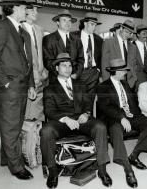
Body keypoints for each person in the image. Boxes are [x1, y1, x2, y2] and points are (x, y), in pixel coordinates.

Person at [40, 53, 110, 188]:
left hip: (81, 119)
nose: (68, 68)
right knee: (46, 131)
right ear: (56, 68)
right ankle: (53, 171)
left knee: (100, 126)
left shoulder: (80, 84)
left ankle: (102, 170)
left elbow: (88, 103)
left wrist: (86, 113)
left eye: (70, 65)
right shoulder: (49, 89)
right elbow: (49, 111)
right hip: (61, 122)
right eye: (64, 65)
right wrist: (66, 119)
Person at [97, 59, 147, 187]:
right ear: (117, 71)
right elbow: (105, 108)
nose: (125, 72)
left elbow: (133, 101)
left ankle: (134, 155)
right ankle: (128, 168)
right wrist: (121, 117)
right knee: (116, 130)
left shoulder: (124, 84)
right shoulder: (103, 86)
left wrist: (142, 113)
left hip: (131, 115)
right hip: (113, 118)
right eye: (123, 70)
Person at [0, 0, 36, 180]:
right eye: (23, 7)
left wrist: (31, 84)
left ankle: (6, 158)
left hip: (23, 85)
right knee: (11, 127)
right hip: (9, 87)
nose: (26, 11)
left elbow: (29, 62)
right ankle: (16, 166)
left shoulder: (23, 31)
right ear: (14, 8)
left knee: (15, 126)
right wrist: (5, 82)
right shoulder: (1, 27)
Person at [21, 0, 48, 121]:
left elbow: (41, 52)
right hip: (27, 77)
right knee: (26, 113)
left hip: (41, 77)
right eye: (33, 10)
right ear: (25, 10)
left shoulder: (40, 29)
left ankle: (37, 138)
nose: (36, 13)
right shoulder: (18, 29)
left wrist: (44, 71)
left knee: (38, 113)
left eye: (36, 10)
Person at [71, 12, 103, 110]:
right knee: (77, 98)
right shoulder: (73, 36)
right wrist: (73, 71)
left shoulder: (99, 39)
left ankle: (88, 119)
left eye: (95, 25)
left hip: (93, 73)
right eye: (92, 24)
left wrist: (99, 72)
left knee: (90, 99)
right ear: (85, 23)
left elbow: (100, 57)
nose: (94, 27)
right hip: (79, 71)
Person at [43, 9, 84, 82]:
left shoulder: (77, 39)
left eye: (69, 20)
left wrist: (77, 74)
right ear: (58, 22)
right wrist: (61, 75)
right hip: (56, 79)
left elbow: (81, 59)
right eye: (64, 20)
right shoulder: (48, 39)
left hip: (74, 78)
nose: (68, 23)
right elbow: (48, 62)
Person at [101, 20, 138, 89]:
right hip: (114, 82)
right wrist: (107, 83)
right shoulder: (109, 42)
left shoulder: (133, 47)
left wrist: (134, 78)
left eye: (130, 33)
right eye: (126, 32)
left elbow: (134, 64)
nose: (128, 35)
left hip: (130, 83)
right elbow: (104, 65)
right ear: (121, 28)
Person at [133, 24, 147, 90]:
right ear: (138, 34)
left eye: (146, 33)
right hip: (137, 80)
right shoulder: (132, 46)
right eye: (143, 33)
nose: (146, 35)